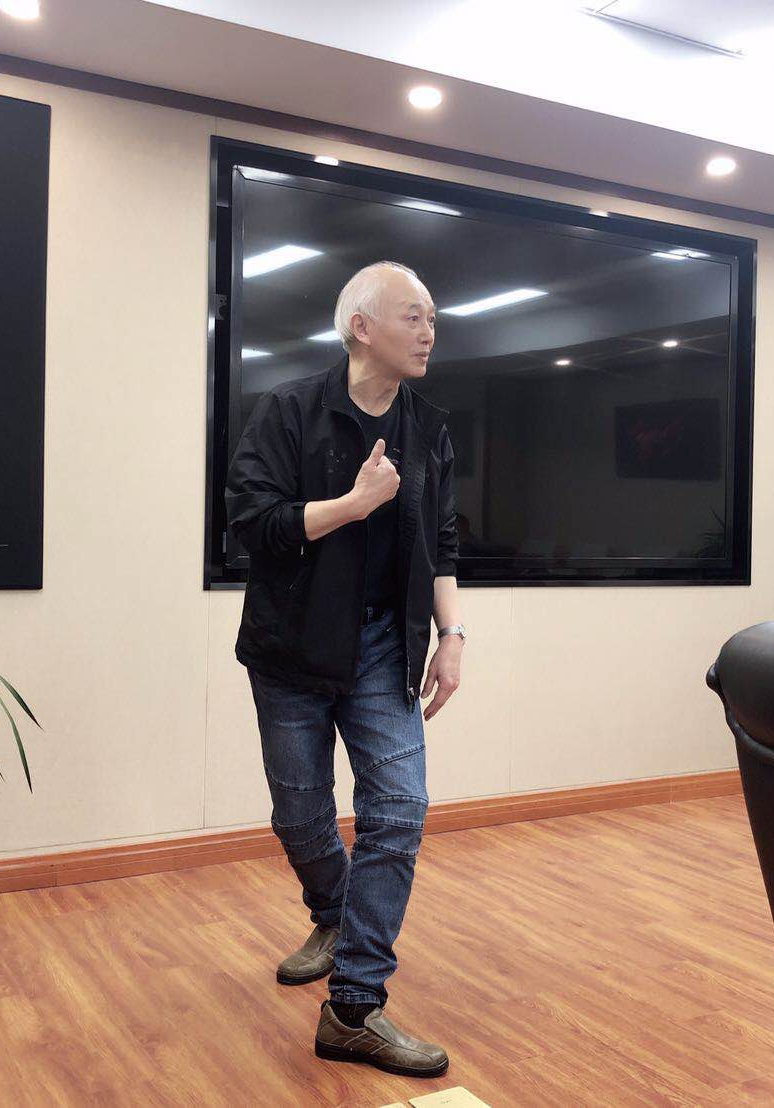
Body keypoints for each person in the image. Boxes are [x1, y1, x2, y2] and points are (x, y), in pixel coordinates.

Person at [224, 260, 466, 1079]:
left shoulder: (429, 427)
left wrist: (452, 635)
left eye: (432, 318)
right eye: (413, 316)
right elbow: (252, 524)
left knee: (399, 809)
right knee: (300, 817)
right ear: (361, 327)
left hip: (384, 646)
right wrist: (354, 506)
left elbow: (443, 540)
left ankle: (354, 1007)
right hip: (291, 647)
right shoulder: (287, 410)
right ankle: (332, 911)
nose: (429, 332)